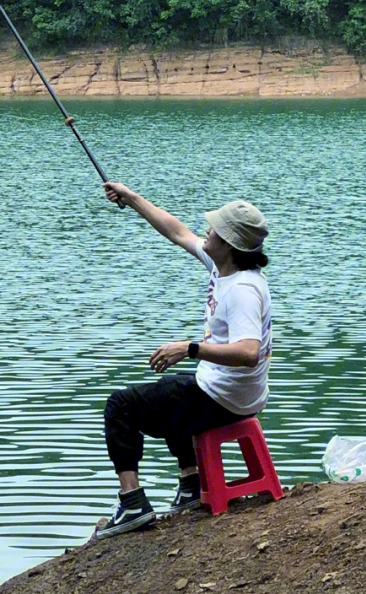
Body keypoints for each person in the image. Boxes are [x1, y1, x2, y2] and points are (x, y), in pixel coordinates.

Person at [96, 182, 273, 536]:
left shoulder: (243, 290)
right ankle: (191, 482)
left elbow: (249, 353)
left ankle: (132, 503)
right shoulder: (223, 264)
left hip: (226, 398)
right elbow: (175, 231)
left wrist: (189, 348)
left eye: (215, 230)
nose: (206, 231)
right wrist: (130, 198)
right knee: (170, 388)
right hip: (225, 390)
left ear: (230, 244)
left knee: (121, 405)